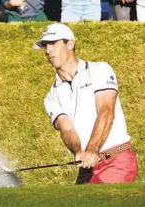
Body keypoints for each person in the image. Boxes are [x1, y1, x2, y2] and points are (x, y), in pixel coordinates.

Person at [33, 23, 138, 184]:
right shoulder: (51, 97)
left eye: (53, 44)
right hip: (87, 167)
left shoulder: (100, 70)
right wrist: (78, 151)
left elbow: (106, 111)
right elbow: (66, 128)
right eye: (45, 46)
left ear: (70, 44)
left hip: (116, 161)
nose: (48, 51)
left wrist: (92, 149)